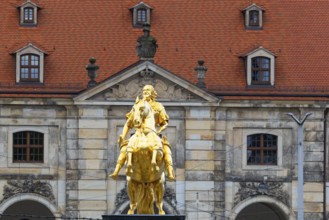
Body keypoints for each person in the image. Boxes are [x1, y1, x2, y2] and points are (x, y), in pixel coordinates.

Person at [109, 85, 175, 181]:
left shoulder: (158, 106)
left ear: (152, 92)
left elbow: (164, 123)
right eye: (144, 90)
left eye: (148, 90)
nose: (145, 92)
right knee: (125, 148)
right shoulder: (137, 105)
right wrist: (122, 136)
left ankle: (170, 172)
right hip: (138, 133)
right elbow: (128, 123)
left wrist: (158, 131)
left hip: (153, 133)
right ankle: (117, 171)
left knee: (166, 149)